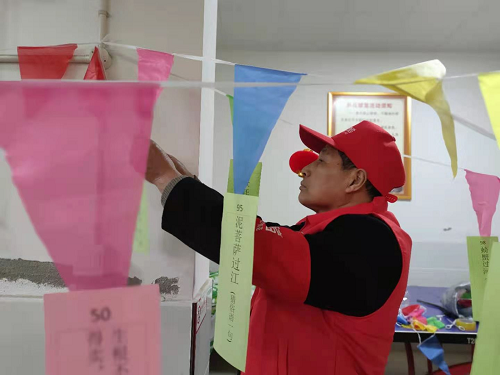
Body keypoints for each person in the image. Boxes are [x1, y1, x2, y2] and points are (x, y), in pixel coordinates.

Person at [145, 120, 412, 375]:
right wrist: (185, 182)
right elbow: (257, 231)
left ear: (355, 180)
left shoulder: (372, 240)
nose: (305, 169)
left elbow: (258, 247)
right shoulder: (323, 231)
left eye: (321, 160)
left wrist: (164, 177)